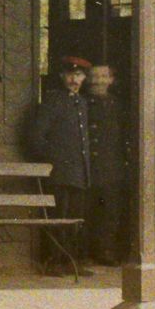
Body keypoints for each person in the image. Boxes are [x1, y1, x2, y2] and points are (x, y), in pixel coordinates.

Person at [26, 55, 96, 275]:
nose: (74, 79)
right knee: (59, 217)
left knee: (75, 219)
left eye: (78, 75)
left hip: (79, 173)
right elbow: (36, 137)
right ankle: (54, 261)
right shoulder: (53, 101)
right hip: (60, 173)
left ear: (84, 78)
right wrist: (53, 162)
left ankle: (70, 261)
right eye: (70, 75)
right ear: (62, 76)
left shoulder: (82, 103)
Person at [83, 63, 130, 266]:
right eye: (94, 76)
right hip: (87, 168)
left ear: (111, 80)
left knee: (110, 213)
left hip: (112, 169)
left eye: (103, 76)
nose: (98, 81)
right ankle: (83, 253)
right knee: (86, 212)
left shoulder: (118, 106)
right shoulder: (82, 103)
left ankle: (106, 251)